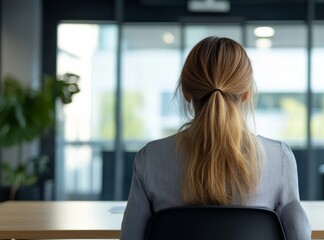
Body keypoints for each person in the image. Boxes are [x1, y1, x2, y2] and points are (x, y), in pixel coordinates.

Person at [120, 36, 311, 239]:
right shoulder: (279, 159)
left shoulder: (150, 159)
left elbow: (130, 236)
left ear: (186, 92)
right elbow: (299, 236)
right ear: (247, 93)